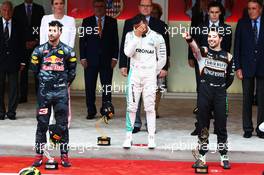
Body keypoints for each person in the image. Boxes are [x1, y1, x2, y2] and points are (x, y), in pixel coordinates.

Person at [183, 28, 234, 169]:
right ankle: (202, 157)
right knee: (203, 126)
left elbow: (230, 77)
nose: (211, 39)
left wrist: (220, 87)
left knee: (221, 127)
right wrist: (189, 39)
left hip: (220, 95)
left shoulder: (228, 57)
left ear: (221, 38)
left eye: (214, 36)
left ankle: (224, 156)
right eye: (209, 36)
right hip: (205, 93)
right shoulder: (203, 52)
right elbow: (195, 48)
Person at [31, 20, 77, 167]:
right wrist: (46, 83)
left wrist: (61, 84)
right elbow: (35, 70)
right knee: (42, 124)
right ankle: (39, 155)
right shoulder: (38, 51)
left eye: (54, 30)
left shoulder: (69, 51)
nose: (51, 33)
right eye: (49, 30)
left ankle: (64, 156)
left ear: (60, 32)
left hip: (61, 94)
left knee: (62, 125)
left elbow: (72, 72)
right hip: (44, 94)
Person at [119, 0, 170, 133]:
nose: (146, 8)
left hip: (152, 68)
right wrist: (123, 64)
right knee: (135, 97)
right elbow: (124, 45)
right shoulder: (129, 23)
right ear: (139, 7)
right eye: (143, 5)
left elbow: (166, 48)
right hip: (135, 67)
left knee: (150, 97)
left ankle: (150, 125)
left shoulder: (160, 24)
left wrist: (164, 68)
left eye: (148, 6)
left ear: (151, 7)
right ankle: (135, 124)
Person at [189, 1, 232, 135]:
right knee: (201, 91)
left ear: (220, 13)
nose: (214, 15)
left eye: (216, 12)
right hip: (203, 65)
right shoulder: (200, 27)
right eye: (211, 12)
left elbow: (227, 48)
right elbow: (193, 43)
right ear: (208, 13)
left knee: (219, 92)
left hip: (219, 65)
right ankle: (200, 126)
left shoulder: (226, 28)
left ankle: (218, 126)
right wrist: (190, 57)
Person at [79, 0, 119, 119]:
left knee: (106, 87)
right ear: (93, 7)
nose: (99, 8)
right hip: (90, 60)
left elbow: (115, 41)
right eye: (97, 6)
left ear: (105, 7)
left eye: (101, 6)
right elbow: (82, 41)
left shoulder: (112, 22)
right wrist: (83, 57)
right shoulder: (86, 21)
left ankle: (106, 110)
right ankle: (91, 110)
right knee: (90, 86)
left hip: (107, 61)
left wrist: (114, 57)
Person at [40, 0, 76, 127]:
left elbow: (70, 44)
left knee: (64, 92)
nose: (59, 6)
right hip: (48, 61)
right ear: (52, 5)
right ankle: (49, 118)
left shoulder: (70, 20)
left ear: (64, 5)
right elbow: (42, 41)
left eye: (61, 3)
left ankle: (65, 119)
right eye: (56, 3)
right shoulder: (45, 19)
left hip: (64, 61)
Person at [234, 0, 264, 139]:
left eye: (254, 8)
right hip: (246, 67)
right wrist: (238, 67)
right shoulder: (242, 23)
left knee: (262, 99)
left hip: (262, 66)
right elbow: (237, 47)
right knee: (247, 98)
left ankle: (261, 129)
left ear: (261, 9)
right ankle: (247, 128)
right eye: (249, 9)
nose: (251, 11)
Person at [13, 0, 45, 103]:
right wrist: (24, 42)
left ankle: (39, 95)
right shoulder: (17, 9)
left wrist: (36, 41)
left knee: (38, 71)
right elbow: (15, 28)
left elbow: (42, 27)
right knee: (23, 72)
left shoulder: (39, 9)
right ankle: (23, 96)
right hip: (23, 46)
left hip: (36, 45)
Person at [0, 1, 25, 120]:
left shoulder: (18, 24)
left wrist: (23, 61)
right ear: (0, 10)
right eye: (4, 10)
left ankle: (11, 112)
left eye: (9, 10)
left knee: (14, 88)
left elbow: (22, 45)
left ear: (12, 11)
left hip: (14, 61)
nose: (7, 12)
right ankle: (0, 112)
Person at [151, 2, 169, 120]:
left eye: (155, 13)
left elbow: (167, 46)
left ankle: (155, 109)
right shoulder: (141, 25)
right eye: (151, 12)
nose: (153, 15)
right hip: (145, 62)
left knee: (158, 87)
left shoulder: (163, 26)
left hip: (159, 62)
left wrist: (166, 64)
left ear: (160, 14)